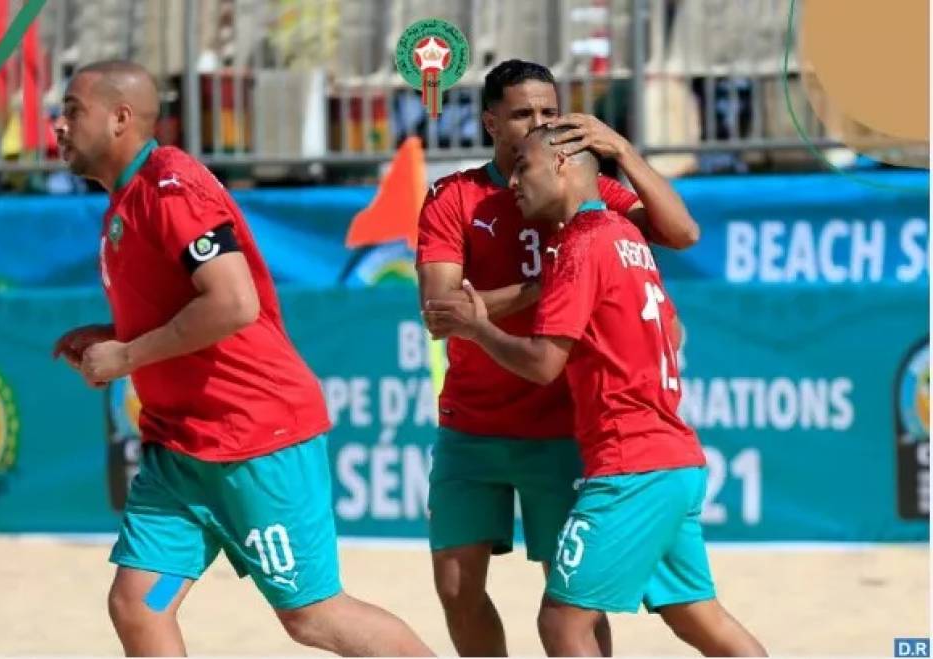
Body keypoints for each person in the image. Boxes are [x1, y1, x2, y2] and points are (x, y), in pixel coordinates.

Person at [51, 60, 433, 657]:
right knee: (138, 604)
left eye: (73, 110)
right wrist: (111, 333)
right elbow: (182, 310)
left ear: (120, 117)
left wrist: (126, 353)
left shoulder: (169, 185)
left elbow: (232, 302)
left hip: (255, 438)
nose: (59, 124)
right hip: (182, 449)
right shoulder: (126, 201)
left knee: (313, 616)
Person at [424, 124, 767, 657]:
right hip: (672, 458)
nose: (514, 181)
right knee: (701, 619)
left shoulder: (578, 244)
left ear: (562, 165)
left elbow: (542, 366)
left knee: (562, 623)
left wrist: (479, 328)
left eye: (526, 169)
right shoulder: (627, 237)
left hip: (631, 466)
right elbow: (672, 330)